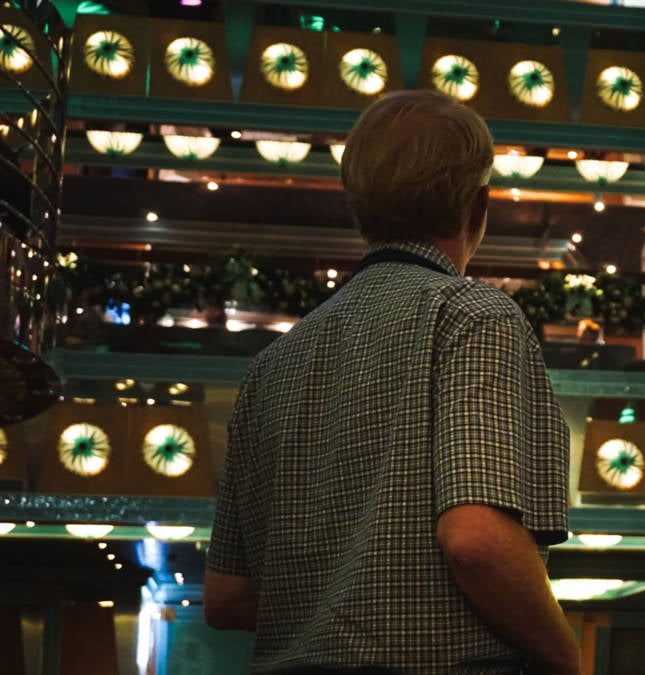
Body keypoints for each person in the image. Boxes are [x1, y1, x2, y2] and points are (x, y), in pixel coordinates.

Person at [203, 90, 580, 675]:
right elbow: (476, 541)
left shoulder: (271, 366)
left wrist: (338, 615)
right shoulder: (471, 315)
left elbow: (225, 597)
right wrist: (566, 656)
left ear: (357, 205)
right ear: (478, 207)